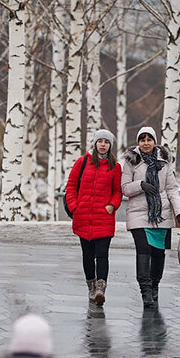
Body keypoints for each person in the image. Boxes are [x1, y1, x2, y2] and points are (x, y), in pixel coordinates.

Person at [122, 126, 180, 308]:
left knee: (158, 254)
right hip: (138, 214)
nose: (146, 143)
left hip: (161, 214)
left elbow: (172, 189)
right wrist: (141, 185)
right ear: (138, 142)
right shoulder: (131, 161)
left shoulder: (164, 161)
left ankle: (155, 286)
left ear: (155, 141)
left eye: (149, 139)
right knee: (143, 251)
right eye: (142, 140)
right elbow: (125, 188)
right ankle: (145, 291)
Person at [65, 129, 123, 306]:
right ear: (95, 143)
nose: (103, 144)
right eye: (100, 141)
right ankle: (91, 287)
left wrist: (112, 206)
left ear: (110, 145)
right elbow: (71, 186)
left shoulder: (115, 166)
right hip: (83, 216)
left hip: (103, 217)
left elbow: (117, 191)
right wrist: (75, 208)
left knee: (102, 255)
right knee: (87, 255)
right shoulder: (82, 162)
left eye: (106, 142)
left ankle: (100, 289)